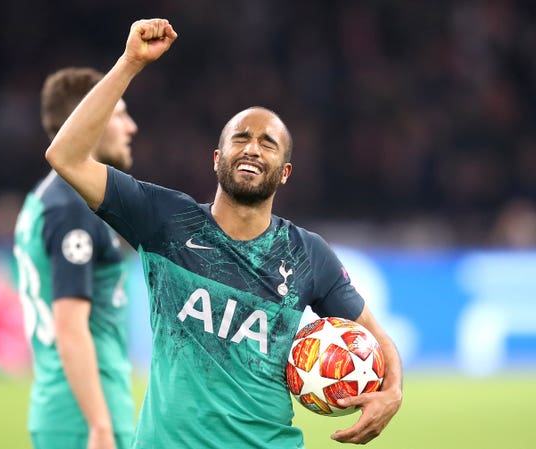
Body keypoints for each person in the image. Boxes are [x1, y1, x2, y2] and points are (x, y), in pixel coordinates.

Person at [45, 19, 403, 448]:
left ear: (285, 173)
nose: (252, 148)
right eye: (241, 139)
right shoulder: (164, 219)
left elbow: (377, 338)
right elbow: (64, 156)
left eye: (267, 143)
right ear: (217, 159)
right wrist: (129, 64)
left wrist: (393, 393)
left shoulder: (307, 254)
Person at [14, 67, 138, 449]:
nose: (131, 127)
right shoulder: (71, 207)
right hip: (82, 419)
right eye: (118, 114)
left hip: (70, 411)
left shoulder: (48, 198)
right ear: (92, 117)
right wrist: (100, 426)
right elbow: (70, 326)